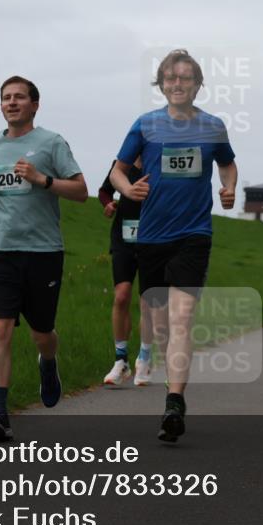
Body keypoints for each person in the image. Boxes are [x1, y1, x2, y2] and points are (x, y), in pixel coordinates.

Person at [110, 49, 237, 443]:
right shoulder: (145, 125)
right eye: (170, 78)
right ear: (161, 85)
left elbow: (228, 163)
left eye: (185, 78)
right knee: (162, 326)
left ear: (198, 84)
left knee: (182, 320)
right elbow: (117, 169)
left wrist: (229, 187)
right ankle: (170, 383)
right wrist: (127, 187)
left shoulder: (213, 126)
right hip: (150, 237)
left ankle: (175, 402)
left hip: (194, 234)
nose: (177, 84)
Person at [0, 76, 88, 442]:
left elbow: (82, 191)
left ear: (34, 105)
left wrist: (42, 179)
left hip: (42, 253)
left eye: (19, 97)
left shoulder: (51, 143)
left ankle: (49, 364)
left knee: (42, 334)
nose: (12, 102)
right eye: (6, 98)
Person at [99, 157, 155, 386]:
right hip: (123, 237)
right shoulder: (121, 164)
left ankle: (145, 357)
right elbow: (105, 191)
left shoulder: (158, 164)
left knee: (147, 301)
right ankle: (121, 360)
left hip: (152, 237)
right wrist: (108, 204)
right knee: (121, 296)